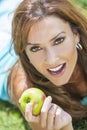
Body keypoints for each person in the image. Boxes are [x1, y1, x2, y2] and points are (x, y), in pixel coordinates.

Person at [7, 0, 87, 130]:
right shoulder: (25, 87)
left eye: (58, 40)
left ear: (75, 34)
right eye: (35, 48)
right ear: (25, 53)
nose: (51, 60)